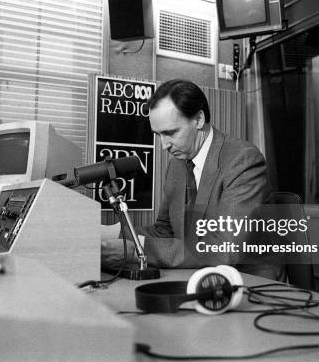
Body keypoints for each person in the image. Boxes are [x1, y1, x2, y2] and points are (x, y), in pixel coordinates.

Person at [101, 79, 280, 279]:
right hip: (198, 273)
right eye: (158, 135)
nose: (164, 145)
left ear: (199, 119)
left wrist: (138, 249)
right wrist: (112, 233)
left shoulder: (243, 159)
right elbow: (164, 231)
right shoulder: (176, 165)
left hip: (251, 281)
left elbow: (224, 248)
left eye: (170, 133)